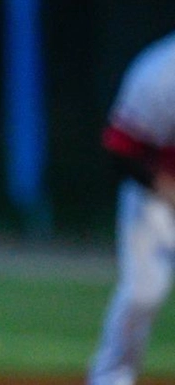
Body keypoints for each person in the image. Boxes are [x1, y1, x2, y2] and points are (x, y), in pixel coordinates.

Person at [88, 31, 175, 385]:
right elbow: (120, 148)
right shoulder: (159, 72)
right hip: (155, 191)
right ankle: (111, 378)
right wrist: (166, 188)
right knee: (144, 291)